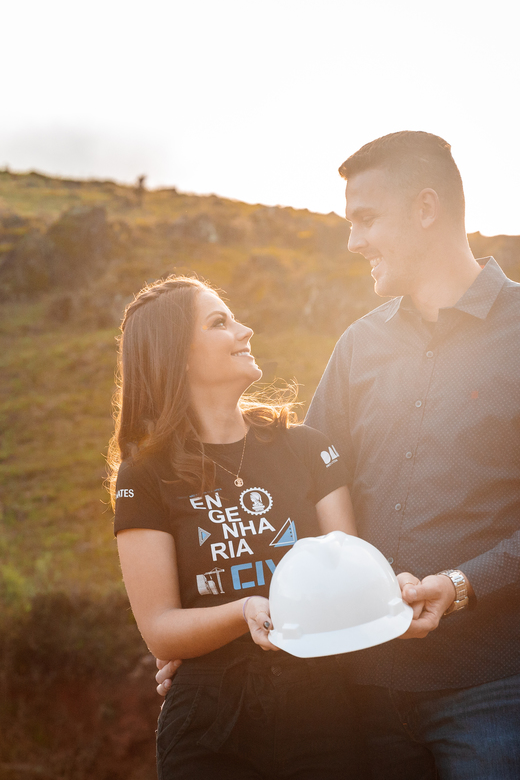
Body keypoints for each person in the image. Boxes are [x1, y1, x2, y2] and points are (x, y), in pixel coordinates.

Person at [302, 131, 520, 779]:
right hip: (357, 693)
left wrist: (462, 585)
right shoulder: (357, 347)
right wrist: (202, 641)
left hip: (491, 692)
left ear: (425, 209)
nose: (353, 242)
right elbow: (302, 491)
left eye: (365, 219)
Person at [110, 275, 367, 780]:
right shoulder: (145, 475)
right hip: (209, 719)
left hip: (322, 707)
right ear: (176, 355)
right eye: (219, 322)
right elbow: (160, 630)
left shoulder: (308, 449)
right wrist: (243, 611)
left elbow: (351, 580)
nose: (245, 330)